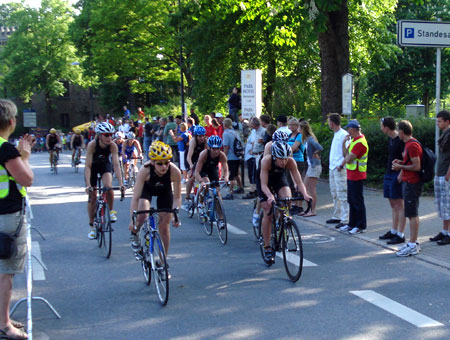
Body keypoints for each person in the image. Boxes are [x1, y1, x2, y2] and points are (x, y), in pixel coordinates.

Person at [0, 99, 33, 340]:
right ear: (11, 121)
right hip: (7, 215)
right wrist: (26, 156)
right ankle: (4, 324)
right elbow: (26, 179)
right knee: (5, 272)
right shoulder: (5, 149)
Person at [128, 142, 181, 272]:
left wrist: (175, 215)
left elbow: (177, 197)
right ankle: (134, 235)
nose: (164, 166)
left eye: (166, 162)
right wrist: (133, 220)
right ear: (152, 162)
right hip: (147, 190)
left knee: (164, 227)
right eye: (159, 163)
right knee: (142, 215)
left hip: (164, 191)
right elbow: (135, 198)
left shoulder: (175, 171)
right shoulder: (144, 171)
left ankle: (163, 263)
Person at [258, 141, 311, 263]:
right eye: (281, 159)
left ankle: (283, 222)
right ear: (275, 157)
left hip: (279, 179)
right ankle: (267, 247)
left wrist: (305, 194)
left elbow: (299, 182)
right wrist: (270, 196)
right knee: (267, 209)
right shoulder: (266, 161)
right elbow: (264, 186)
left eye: (286, 158)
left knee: (287, 198)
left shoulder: (290, 162)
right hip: (265, 181)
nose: (284, 162)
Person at [85, 122, 125, 239]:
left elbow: (116, 165)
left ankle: (111, 211)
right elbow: (87, 166)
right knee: (92, 197)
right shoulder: (92, 145)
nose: (109, 137)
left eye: (111, 135)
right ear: (99, 135)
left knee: (108, 186)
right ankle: (92, 225)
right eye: (106, 135)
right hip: (92, 167)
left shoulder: (113, 145)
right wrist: (88, 185)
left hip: (104, 165)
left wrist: (122, 184)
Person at [392, 120, 423, 256]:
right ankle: (412, 242)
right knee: (410, 213)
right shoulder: (408, 144)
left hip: (412, 183)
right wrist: (401, 162)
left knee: (412, 214)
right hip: (408, 182)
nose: (397, 133)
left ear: (402, 132)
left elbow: (417, 166)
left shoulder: (412, 145)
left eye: (398, 130)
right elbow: (410, 162)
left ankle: (413, 244)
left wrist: (401, 167)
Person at [378, 117, 406, 245]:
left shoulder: (400, 141)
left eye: (381, 125)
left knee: (400, 205)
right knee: (392, 204)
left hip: (397, 175)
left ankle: (400, 234)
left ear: (387, 127)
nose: (380, 128)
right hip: (389, 174)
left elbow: (407, 159)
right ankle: (393, 231)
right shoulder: (390, 140)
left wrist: (401, 173)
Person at [339, 119, 369, 235]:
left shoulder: (360, 142)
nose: (347, 131)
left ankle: (360, 225)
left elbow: (349, 158)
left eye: (349, 129)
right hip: (351, 174)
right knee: (351, 200)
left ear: (354, 129)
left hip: (357, 174)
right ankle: (352, 223)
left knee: (357, 201)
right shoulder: (354, 140)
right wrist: (343, 143)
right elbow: (345, 155)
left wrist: (345, 158)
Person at [429, 110, 450, 245]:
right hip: (440, 174)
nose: (437, 123)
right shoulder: (445, 134)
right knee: (442, 205)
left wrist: (448, 173)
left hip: (446, 176)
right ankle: (444, 231)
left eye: (440, 121)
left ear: (447, 121)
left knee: (448, 205)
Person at [327, 113, 349, 228]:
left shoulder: (343, 135)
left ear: (333, 122)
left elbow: (348, 152)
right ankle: (337, 215)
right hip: (333, 167)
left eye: (329, 121)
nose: (328, 123)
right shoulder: (336, 134)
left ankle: (345, 218)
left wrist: (341, 165)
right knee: (335, 193)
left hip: (339, 168)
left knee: (342, 193)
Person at [194, 135, 229, 209]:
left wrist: (226, 178)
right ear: (209, 148)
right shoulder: (204, 154)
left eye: (218, 149)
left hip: (212, 169)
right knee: (206, 183)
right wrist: (201, 181)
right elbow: (196, 171)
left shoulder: (222, 155)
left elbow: (226, 170)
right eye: (214, 149)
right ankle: (200, 201)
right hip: (202, 169)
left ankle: (221, 217)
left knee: (217, 191)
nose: (216, 151)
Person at [301, 122, 323, 217]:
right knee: (305, 188)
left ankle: (313, 210)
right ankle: (308, 209)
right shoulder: (307, 139)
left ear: (302, 129)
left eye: (299, 128)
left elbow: (320, 147)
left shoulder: (310, 139)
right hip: (311, 166)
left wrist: (315, 153)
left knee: (312, 189)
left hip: (314, 166)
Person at [184, 126, 208, 206]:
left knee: (205, 180)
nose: (202, 138)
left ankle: (201, 198)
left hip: (199, 159)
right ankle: (187, 197)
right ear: (196, 136)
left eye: (203, 136)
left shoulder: (205, 141)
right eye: (199, 136)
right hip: (190, 159)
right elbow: (188, 157)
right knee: (191, 177)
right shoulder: (193, 141)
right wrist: (191, 165)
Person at [287, 118, 306, 215]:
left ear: (296, 125)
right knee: (290, 184)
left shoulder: (299, 136)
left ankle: (300, 205)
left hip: (298, 161)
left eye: (291, 125)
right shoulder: (289, 135)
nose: (290, 127)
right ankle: (294, 204)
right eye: (289, 125)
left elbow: (293, 148)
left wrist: (288, 149)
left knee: (298, 183)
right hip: (289, 161)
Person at [222, 118, 244, 200]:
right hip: (237, 155)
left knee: (231, 175)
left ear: (225, 125)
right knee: (236, 173)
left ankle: (230, 193)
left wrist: (224, 157)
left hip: (231, 157)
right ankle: (240, 187)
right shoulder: (235, 133)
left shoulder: (226, 134)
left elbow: (226, 147)